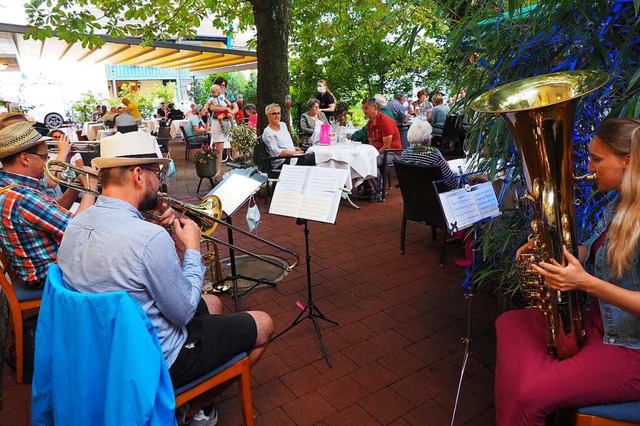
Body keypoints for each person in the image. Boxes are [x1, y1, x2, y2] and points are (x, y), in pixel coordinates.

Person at [56, 131, 274, 425]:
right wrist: (193, 248)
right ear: (138, 176)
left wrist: (159, 232)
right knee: (264, 323)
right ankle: (190, 406)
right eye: (156, 174)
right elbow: (183, 311)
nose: (160, 182)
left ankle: (194, 400)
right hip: (156, 359)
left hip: (103, 348)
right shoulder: (148, 238)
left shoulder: (76, 223)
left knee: (212, 302)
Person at [495, 118, 640, 426]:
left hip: (631, 349)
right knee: (510, 322)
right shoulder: (621, 202)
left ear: (627, 161)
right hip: (605, 327)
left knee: (529, 397)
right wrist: (549, 246)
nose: (589, 166)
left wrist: (586, 284)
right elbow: (593, 252)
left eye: (597, 159)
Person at [0, 121, 96, 289]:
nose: (47, 161)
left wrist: (74, 187)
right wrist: (90, 188)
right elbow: (80, 229)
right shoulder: (23, 197)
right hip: (50, 277)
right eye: (44, 157)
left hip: (36, 270)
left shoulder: (10, 186)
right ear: (25, 158)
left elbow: (51, 209)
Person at [361, 97, 402, 202]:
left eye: (366, 108)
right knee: (361, 159)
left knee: (371, 161)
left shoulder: (385, 121)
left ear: (375, 108)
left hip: (393, 153)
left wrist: (372, 155)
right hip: (380, 152)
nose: (364, 111)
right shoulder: (370, 124)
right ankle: (368, 188)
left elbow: (387, 146)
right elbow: (371, 144)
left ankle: (379, 191)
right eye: (363, 109)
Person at [401, 120, 459, 191]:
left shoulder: (404, 154)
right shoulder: (434, 155)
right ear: (428, 139)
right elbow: (452, 183)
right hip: (437, 196)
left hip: (413, 195)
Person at [262, 103, 315, 169]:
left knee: (315, 155)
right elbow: (276, 152)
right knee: (313, 158)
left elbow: (284, 144)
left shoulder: (283, 125)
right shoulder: (268, 132)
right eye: (274, 113)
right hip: (281, 162)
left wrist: (294, 148)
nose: (277, 116)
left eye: (278, 113)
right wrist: (294, 153)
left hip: (292, 157)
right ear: (268, 115)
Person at [207, 77, 238, 181]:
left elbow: (236, 107)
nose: (222, 87)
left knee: (235, 146)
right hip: (217, 121)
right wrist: (225, 109)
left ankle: (236, 170)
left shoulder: (228, 94)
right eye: (220, 85)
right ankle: (218, 172)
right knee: (219, 148)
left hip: (229, 121)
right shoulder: (212, 93)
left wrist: (229, 113)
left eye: (224, 85)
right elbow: (212, 108)